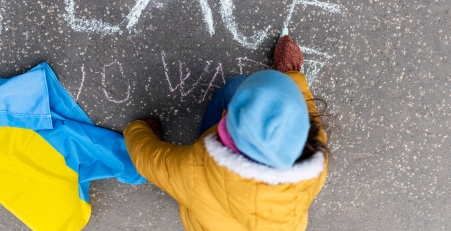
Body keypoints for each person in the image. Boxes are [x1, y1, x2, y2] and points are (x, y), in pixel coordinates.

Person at [123, 34, 329, 231]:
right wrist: (291, 73)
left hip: (201, 219)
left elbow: (148, 158)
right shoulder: (314, 163)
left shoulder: (197, 170)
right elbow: (303, 115)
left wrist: (138, 130)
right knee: (239, 88)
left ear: (231, 135)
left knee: (235, 86)